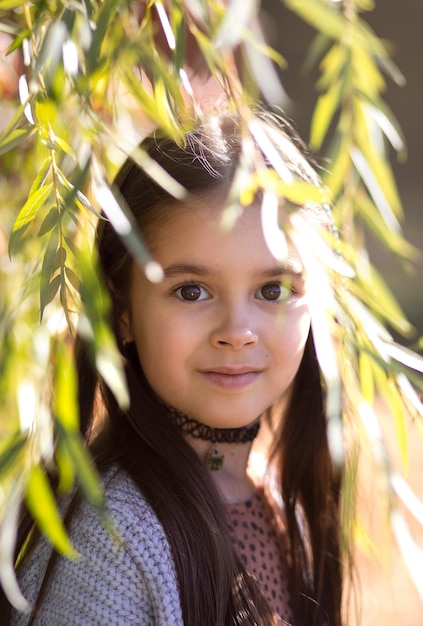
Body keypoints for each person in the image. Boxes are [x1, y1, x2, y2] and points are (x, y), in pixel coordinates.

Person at [5, 109, 346, 625]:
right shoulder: (111, 540)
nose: (237, 330)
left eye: (273, 291)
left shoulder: (285, 508)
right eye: (191, 291)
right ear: (124, 312)